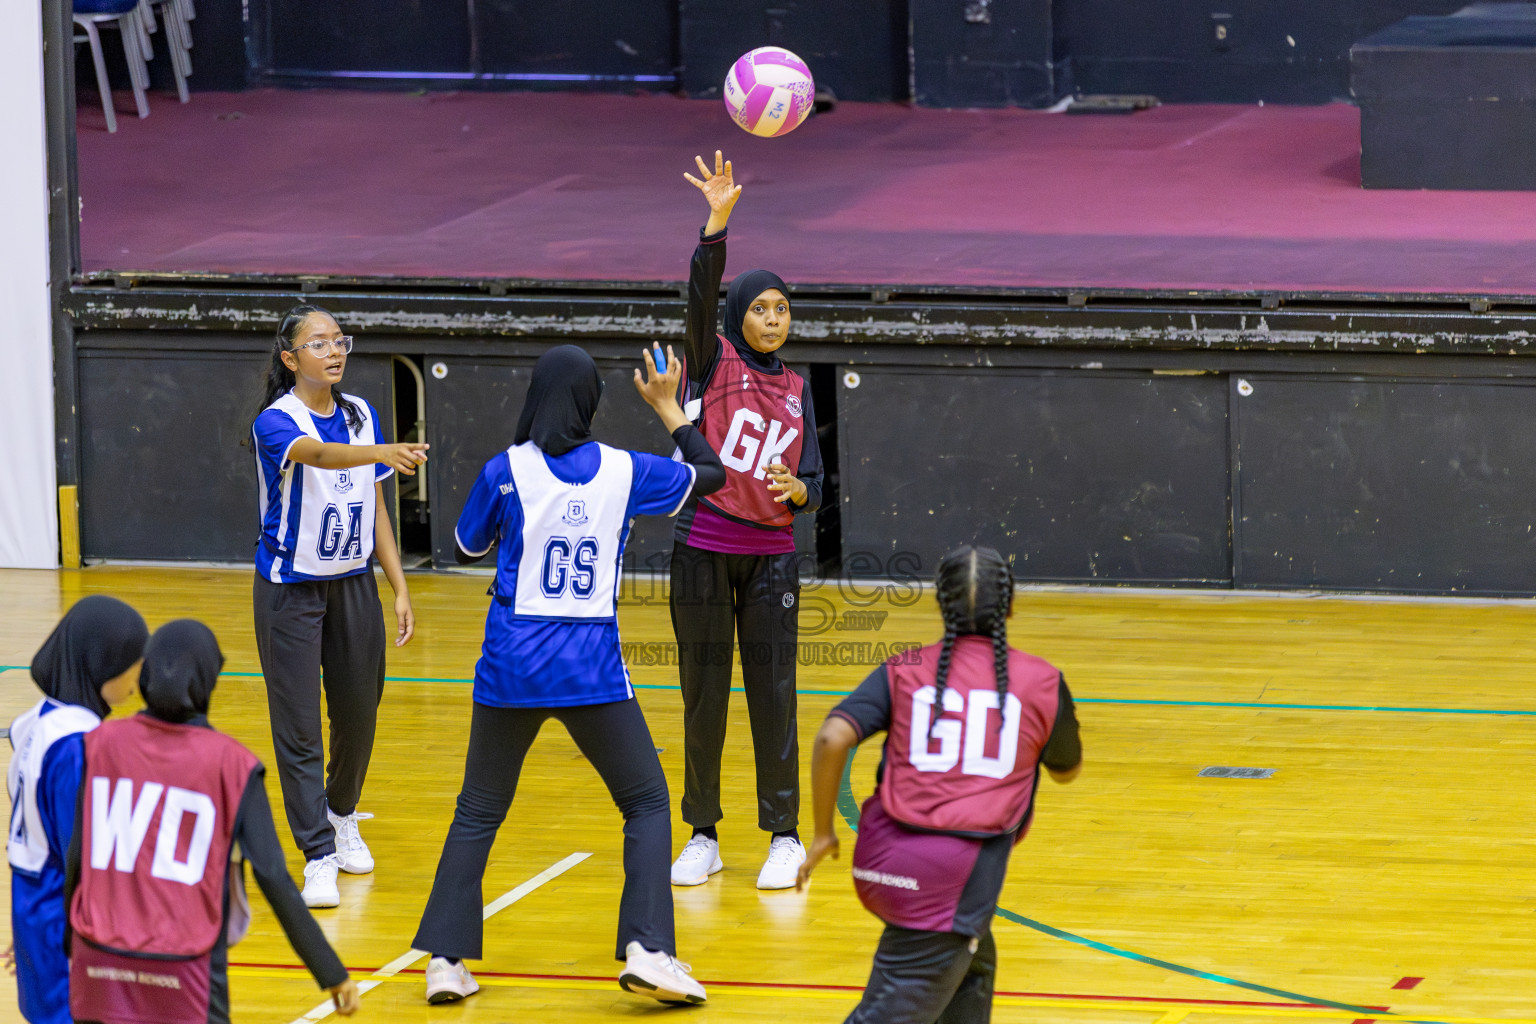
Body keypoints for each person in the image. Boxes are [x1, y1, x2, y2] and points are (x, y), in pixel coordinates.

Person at [412, 343, 725, 1007]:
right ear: (591, 402)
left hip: (511, 668)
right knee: (645, 803)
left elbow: (466, 545)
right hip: (591, 671)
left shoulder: (505, 470)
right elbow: (711, 474)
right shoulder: (625, 469)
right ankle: (649, 950)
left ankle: (444, 961)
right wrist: (668, 408)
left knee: (477, 810)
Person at [796, 546, 1083, 1024]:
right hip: (950, 878)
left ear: (940, 605)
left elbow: (831, 737)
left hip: (880, 859)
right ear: (1010, 606)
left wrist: (823, 832)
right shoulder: (1041, 680)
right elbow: (1066, 770)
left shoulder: (904, 665)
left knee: (972, 967)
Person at [65, 619, 361, 1024]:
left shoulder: (100, 744)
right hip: (183, 969)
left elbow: (77, 857)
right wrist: (331, 971)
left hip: (98, 964)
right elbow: (273, 876)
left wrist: (69, 946)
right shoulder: (233, 765)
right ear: (207, 681)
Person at [669, 151, 826, 891]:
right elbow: (701, 296)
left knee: (774, 696)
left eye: (782, 309)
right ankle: (701, 833)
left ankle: (783, 835)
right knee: (703, 696)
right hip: (702, 548)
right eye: (761, 308)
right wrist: (716, 225)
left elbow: (817, 485)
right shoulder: (712, 360)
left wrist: (798, 490)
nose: (773, 319)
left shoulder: (798, 387)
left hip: (772, 558)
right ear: (739, 316)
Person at [250, 303, 428, 908]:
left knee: (359, 713)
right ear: (290, 358)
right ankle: (317, 854)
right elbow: (320, 457)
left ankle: (341, 812)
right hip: (290, 589)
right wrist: (383, 453)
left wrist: (399, 585)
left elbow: (375, 507)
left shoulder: (360, 414)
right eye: (319, 343)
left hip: (353, 584)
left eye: (339, 341)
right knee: (299, 726)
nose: (334, 352)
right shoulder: (276, 422)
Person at [7, 596, 148, 1024]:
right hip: (67, 923)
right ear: (101, 665)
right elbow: (84, 857)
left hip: (35, 909)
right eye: (131, 663)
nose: (138, 675)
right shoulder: (78, 748)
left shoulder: (36, 722)